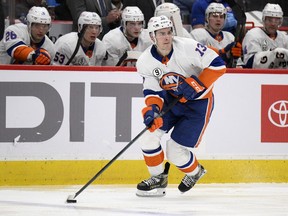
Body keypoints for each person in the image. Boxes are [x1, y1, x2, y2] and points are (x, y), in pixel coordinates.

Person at [135, 15, 226, 197]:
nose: (167, 37)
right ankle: (158, 179)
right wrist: (152, 111)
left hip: (198, 105)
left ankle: (195, 172)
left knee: (174, 151)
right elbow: (153, 92)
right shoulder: (145, 61)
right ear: (152, 37)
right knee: (148, 137)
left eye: (169, 32)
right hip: (171, 101)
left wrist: (197, 84)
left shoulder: (187, 47)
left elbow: (218, 65)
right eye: (161, 34)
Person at [190, 2, 242, 67]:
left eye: (221, 17)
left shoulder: (230, 37)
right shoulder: (197, 34)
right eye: (215, 16)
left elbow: (238, 66)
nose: (218, 19)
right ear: (207, 18)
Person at [242, 3, 288, 69]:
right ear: (264, 19)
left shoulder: (284, 37)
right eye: (270, 20)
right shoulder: (253, 34)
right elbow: (250, 63)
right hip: (258, 77)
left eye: (276, 20)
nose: (273, 23)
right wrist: (274, 55)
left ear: (280, 21)